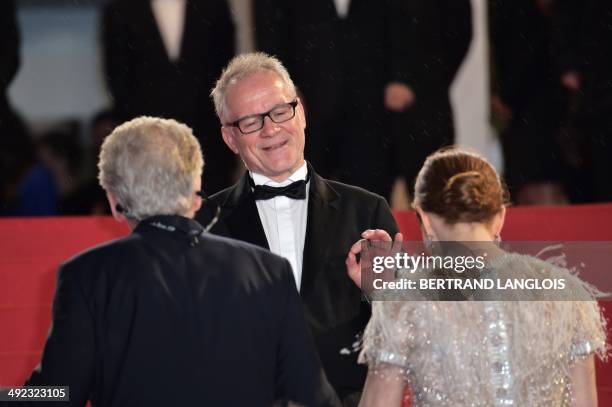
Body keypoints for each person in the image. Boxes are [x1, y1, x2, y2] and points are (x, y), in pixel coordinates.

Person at [20, 117, 339, 406]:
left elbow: (56, 394)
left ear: (115, 203)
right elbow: (311, 395)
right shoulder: (268, 271)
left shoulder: (88, 275)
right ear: (195, 193)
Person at [196, 52, 399, 405]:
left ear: (301, 113)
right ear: (230, 138)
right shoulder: (204, 222)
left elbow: (399, 330)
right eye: (250, 121)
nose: (271, 129)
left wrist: (385, 293)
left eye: (279, 111)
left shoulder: (367, 211)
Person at [346, 148, 607, 406]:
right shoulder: (566, 292)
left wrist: (387, 302)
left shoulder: (406, 303)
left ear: (425, 219)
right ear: (500, 216)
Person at [101, 0, 236, 195]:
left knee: (211, 216)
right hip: (145, 147)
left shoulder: (213, 5)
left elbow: (226, 72)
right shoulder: (120, 9)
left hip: (209, 144)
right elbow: (118, 80)